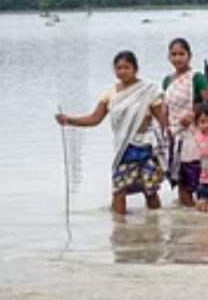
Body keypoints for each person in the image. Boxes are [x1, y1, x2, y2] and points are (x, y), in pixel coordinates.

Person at [55, 51, 166, 215]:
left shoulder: (148, 91)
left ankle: (155, 225)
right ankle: (119, 231)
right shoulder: (110, 93)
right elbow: (95, 118)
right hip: (123, 150)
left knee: (149, 191)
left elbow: (163, 121)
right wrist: (69, 120)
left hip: (145, 148)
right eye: (118, 68)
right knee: (118, 190)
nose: (122, 71)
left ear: (135, 69)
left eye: (126, 67)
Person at [162, 38, 208, 208]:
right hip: (175, 135)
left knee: (198, 175)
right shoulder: (167, 81)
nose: (177, 58)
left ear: (189, 56)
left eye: (181, 54)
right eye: (173, 54)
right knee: (181, 178)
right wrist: (165, 130)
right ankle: (187, 217)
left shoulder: (197, 78)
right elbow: (165, 108)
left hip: (195, 134)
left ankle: (203, 222)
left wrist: (192, 115)